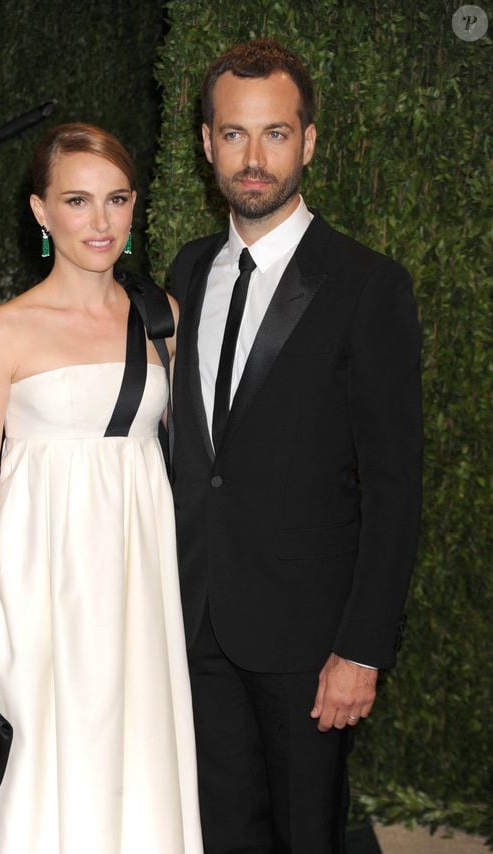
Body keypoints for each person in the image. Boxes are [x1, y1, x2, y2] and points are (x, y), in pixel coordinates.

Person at [170, 39, 422, 853]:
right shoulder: (185, 271)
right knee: (219, 833)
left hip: (310, 643)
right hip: (195, 619)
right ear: (207, 143)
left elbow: (395, 486)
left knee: (307, 838)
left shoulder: (366, 285)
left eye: (275, 134)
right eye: (234, 134)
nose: (254, 158)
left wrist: (361, 647)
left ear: (308, 142)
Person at [0, 123, 203, 853]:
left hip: (135, 584)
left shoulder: (163, 321)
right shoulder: (4, 331)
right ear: (41, 211)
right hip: (35, 586)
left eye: (117, 200)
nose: (101, 223)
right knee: (38, 765)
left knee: (134, 752)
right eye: (78, 201)